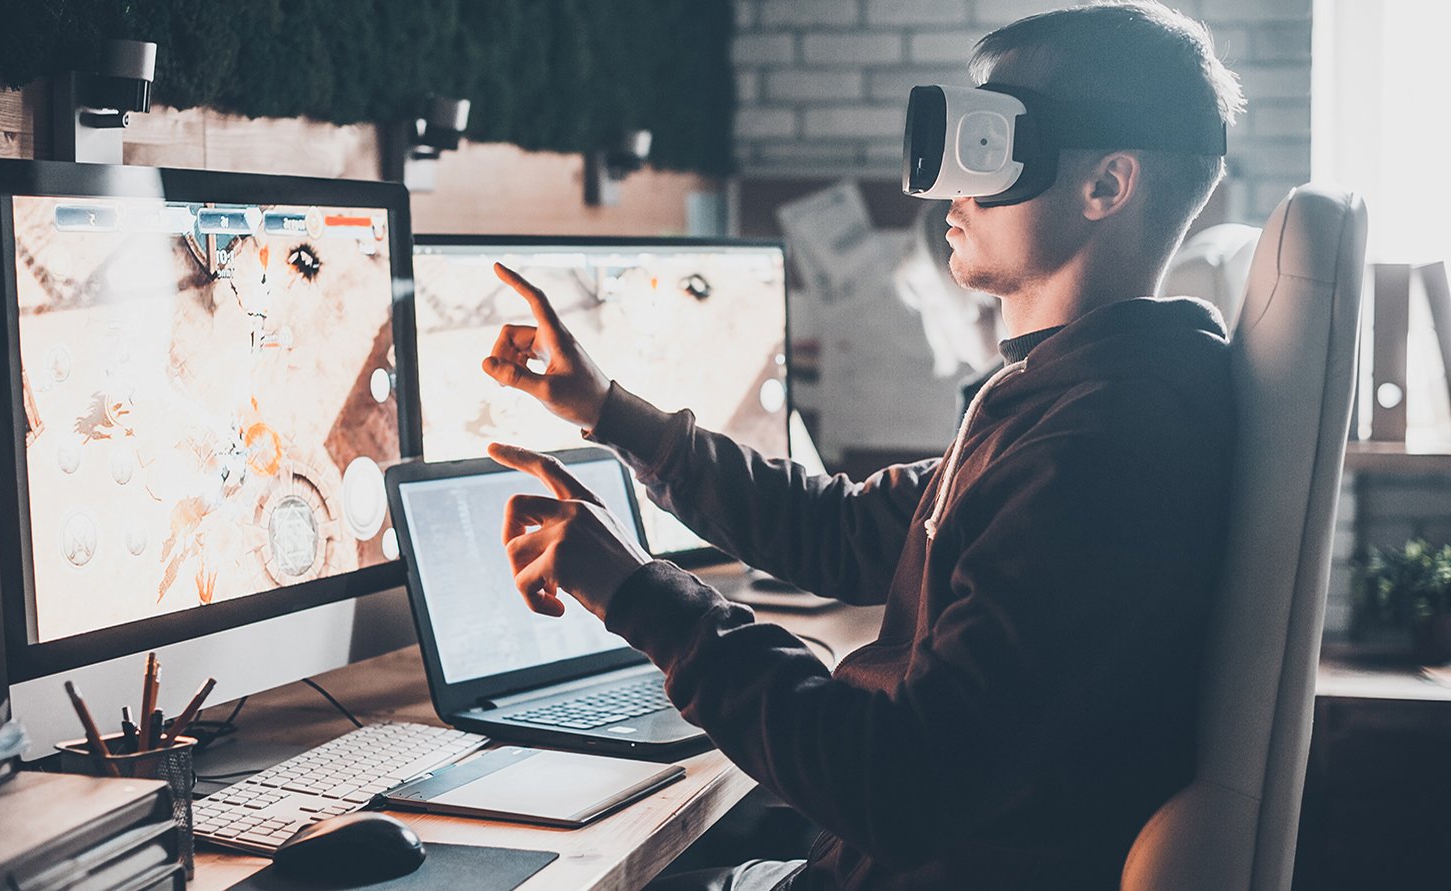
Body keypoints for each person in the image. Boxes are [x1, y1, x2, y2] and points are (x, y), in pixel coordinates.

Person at [479, 2, 1245, 888]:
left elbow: (900, 783)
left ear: (1107, 186)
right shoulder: (1066, 392)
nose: (946, 187)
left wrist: (635, 592)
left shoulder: (1106, 443)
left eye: (990, 145)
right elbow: (845, 532)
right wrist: (609, 410)